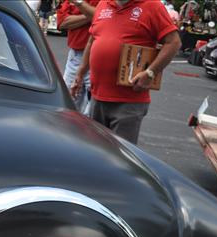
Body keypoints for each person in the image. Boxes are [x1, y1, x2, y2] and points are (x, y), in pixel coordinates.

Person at [69, 0, 181, 145]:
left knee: (119, 153)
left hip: (128, 101)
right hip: (97, 97)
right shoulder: (103, 4)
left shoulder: (152, 6)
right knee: (97, 150)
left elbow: (173, 42)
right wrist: (80, 73)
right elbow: (92, 40)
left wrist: (150, 73)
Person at [57, 0, 97, 113]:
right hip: (75, 56)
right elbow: (62, 23)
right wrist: (91, 15)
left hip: (97, 57)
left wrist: (93, 14)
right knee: (68, 104)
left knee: (93, 109)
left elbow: (106, 15)